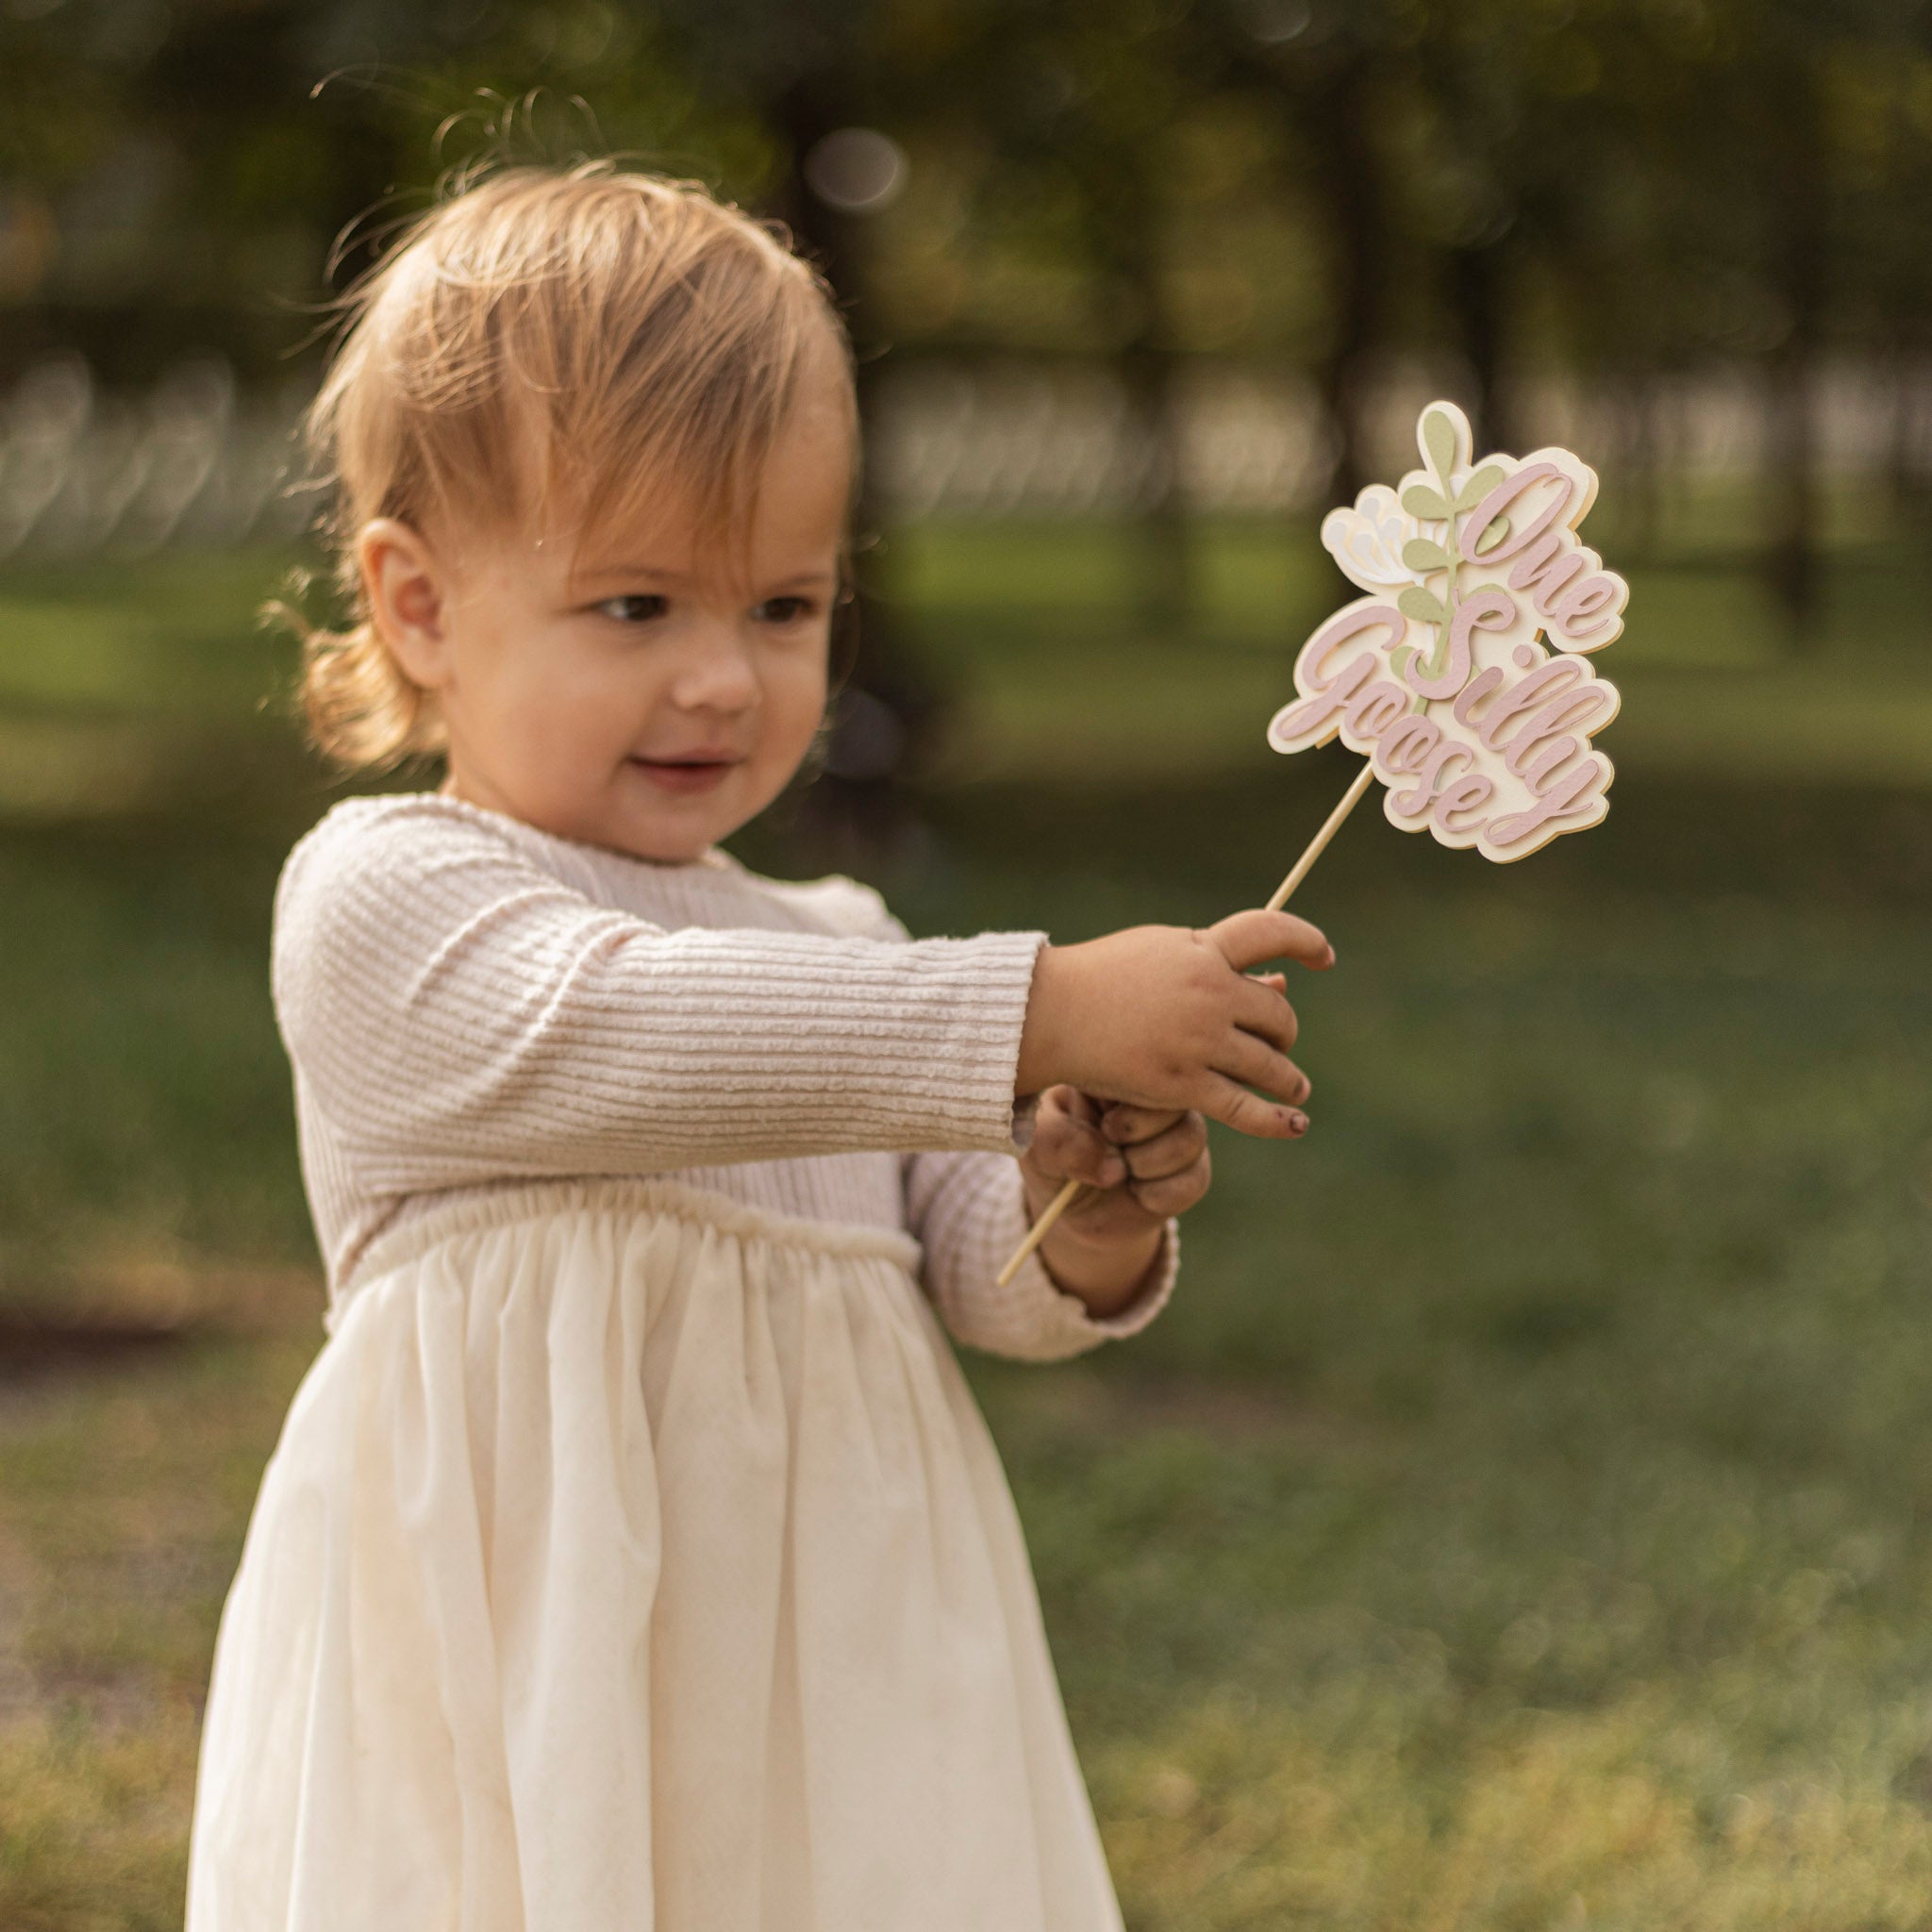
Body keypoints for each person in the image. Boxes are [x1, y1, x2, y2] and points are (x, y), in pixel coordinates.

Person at [184, 159, 1332, 1932]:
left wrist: (1082, 1205)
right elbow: (609, 1027)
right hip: (524, 1661)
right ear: (417, 604)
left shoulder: (845, 946)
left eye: (784, 607)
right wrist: (1032, 1001)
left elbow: (979, 1278)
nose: (726, 678)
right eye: (639, 605)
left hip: (839, 1652)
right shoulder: (390, 900)